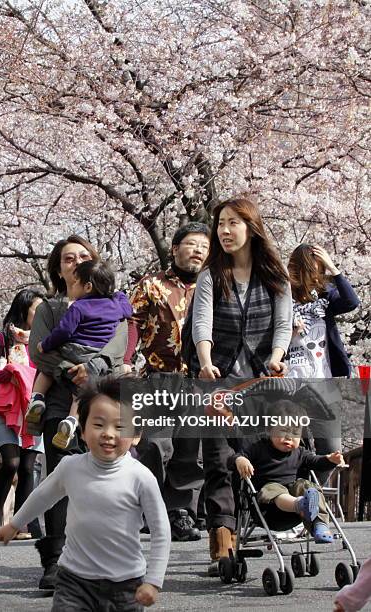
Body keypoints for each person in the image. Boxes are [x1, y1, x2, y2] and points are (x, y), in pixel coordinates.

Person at [0, 376, 171, 611]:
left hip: (126, 585)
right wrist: (15, 524)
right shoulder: (70, 467)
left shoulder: (141, 477)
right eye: (98, 425)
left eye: (120, 427)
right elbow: (42, 496)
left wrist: (153, 581)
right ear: (82, 430)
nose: (108, 434)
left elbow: (161, 531)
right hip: (73, 580)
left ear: (136, 434)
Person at [191, 197, 292, 575]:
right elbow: (202, 323)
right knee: (219, 458)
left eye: (233, 223)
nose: (225, 230)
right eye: (220, 223)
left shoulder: (275, 277)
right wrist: (204, 361)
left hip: (260, 381)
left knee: (257, 455)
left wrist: (278, 355)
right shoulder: (210, 276)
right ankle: (222, 544)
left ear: (251, 227)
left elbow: (283, 325)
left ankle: (265, 526)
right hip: (218, 380)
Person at [29, 235, 128, 590]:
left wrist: (95, 366)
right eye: (68, 258)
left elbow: (120, 346)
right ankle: (56, 559)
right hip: (60, 400)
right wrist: (74, 367)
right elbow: (39, 354)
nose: (75, 262)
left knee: (106, 480)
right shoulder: (51, 309)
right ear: (59, 268)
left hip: (104, 401)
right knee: (62, 475)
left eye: (83, 256)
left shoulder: (113, 303)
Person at [124, 222, 210, 542]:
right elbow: (132, 323)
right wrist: (125, 360)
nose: (198, 250)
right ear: (175, 249)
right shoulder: (151, 285)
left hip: (199, 379)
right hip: (161, 376)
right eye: (191, 244)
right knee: (155, 446)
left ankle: (181, 513)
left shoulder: (213, 288)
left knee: (191, 449)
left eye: (204, 245)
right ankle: (149, 507)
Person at [26, 259, 132, 448]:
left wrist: (46, 345)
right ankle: (71, 421)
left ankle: (37, 398)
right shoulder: (115, 305)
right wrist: (118, 295)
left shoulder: (78, 307)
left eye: (75, 282)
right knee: (81, 393)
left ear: (88, 286)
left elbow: (64, 332)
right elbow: (128, 310)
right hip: (95, 355)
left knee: (47, 372)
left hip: (74, 350)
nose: (72, 286)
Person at [0, 288, 44, 539]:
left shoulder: (44, 339)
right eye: (36, 309)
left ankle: (20, 524)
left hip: (34, 407)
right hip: (7, 409)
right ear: (23, 309)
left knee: (28, 467)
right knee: (11, 462)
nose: (40, 315)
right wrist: (10, 371)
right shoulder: (2, 339)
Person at [229, 400, 345, 543]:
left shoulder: (300, 452)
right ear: (270, 430)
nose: (289, 437)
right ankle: (301, 504)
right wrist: (240, 460)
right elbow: (233, 458)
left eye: (295, 433)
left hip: (296, 514)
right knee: (274, 488)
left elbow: (317, 462)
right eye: (284, 431)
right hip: (268, 509)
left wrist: (330, 459)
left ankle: (319, 524)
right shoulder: (258, 448)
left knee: (307, 485)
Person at [286, 244, 360, 378]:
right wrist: (291, 333)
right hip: (291, 378)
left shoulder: (325, 297)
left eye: (320, 272)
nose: (316, 278)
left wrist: (333, 268)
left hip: (324, 377)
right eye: (312, 272)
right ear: (298, 270)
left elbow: (352, 302)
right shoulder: (282, 298)